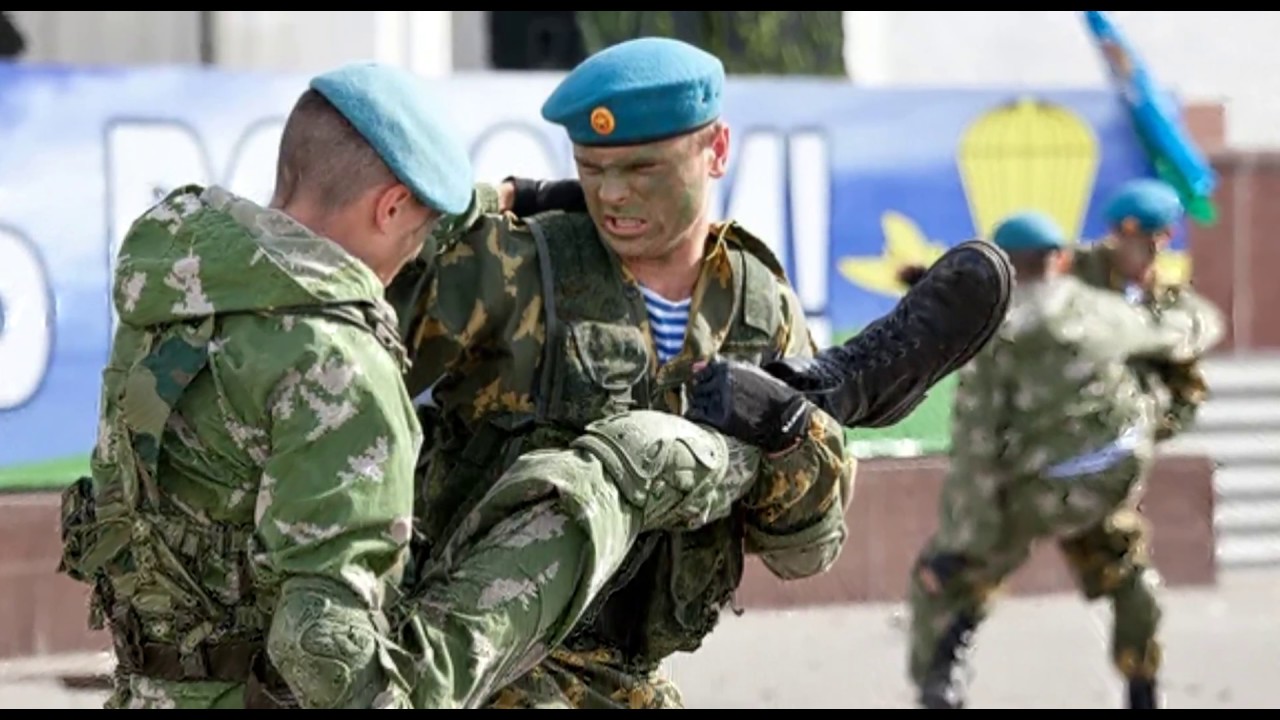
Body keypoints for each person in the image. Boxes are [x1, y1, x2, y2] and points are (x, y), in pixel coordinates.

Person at [383, 36, 1014, 709]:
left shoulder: (756, 301)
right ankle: (834, 390)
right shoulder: (511, 266)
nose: (612, 194)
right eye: (590, 169)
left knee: (774, 422)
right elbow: (349, 336)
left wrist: (787, 432)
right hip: (484, 661)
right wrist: (488, 202)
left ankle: (829, 392)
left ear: (715, 149)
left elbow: (805, 550)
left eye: (642, 168)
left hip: (631, 679)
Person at [55, 61, 475, 709]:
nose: (411, 259)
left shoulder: (175, 290)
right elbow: (323, 648)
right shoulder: (338, 360)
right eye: (417, 236)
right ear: (390, 206)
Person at [903, 210, 1224, 710]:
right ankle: (1143, 688)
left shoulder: (995, 336)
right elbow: (1185, 332)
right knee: (1127, 571)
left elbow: (976, 446)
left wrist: (969, 540)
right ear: (1062, 260)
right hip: (1108, 476)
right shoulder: (1106, 310)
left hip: (1035, 490)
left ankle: (940, 678)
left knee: (943, 576)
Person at [1072, 178, 1215, 441]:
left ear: (1165, 237)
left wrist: (1158, 427)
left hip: (1133, 432)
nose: (1131, 248)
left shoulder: (1170, 299)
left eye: (1145, 239)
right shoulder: (1079, 275)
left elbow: (1187, 378)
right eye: (1124, 235)